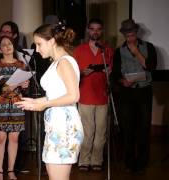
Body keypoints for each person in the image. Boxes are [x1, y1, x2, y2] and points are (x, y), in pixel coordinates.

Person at [15, 23, 84, 180]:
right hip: (57, 126)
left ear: (52, 41)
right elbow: (56, 94)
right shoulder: (57, 62)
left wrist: (43, 104)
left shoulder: (64, 62)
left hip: (64, 128)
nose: (37, 50)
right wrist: (35, 101)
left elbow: (74, 96)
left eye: (39, 44)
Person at [110, 19, 157, 173]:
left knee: (144, 128)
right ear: (124, 35)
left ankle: (142, 163)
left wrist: (137, 52)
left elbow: (150, 66)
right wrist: (122, 81)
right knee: (127, 128)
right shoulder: (119, 51)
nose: (130, 38)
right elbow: (115, 74)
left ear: (136, 33)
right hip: (127, 93)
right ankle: (129, 163)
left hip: (144, 91)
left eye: (132, 34)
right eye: (127, 35)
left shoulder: (148, 47)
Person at [73, 18, 113, 171]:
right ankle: (84, 160)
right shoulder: (79, 50)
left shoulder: (107, 50)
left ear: (101, 31)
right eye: (92, 29)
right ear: (88, 30)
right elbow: (72, 74)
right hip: (85, 96)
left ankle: (97, 160)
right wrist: (82, 73)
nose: (95, 32)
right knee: (87, 131)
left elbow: (111, 70)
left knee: (101, 132)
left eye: (98, 29)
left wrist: (109, 71)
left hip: (102, 96)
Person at [0, 36, 29, 180]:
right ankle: (0, 171)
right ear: (0, 49)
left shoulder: (21, 65)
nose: (7, 46)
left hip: (17, 103)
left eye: (9, 43)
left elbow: (25, 89)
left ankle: (11, 170)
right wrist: (13, 85)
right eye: (4, 45)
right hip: (0, 103)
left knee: (14, 138)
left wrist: (25, 86)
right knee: (0, 138)